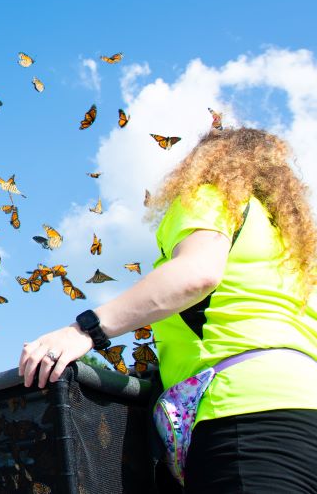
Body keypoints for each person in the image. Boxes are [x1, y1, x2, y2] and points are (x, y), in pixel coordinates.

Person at [19, 127, 317, 492]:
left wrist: (83, 330)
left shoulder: (215, 196)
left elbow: (197, 273)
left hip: (242, 412)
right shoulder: (294, 249)